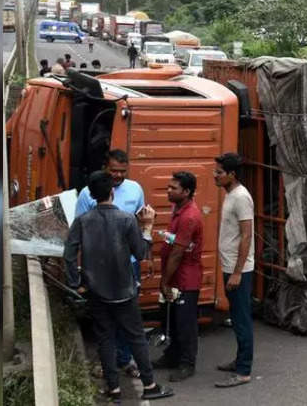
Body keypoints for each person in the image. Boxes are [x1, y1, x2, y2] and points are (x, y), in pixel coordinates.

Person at [63, 171, 174, 402]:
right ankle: (150, 385)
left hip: (96, 292)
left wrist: (76, 283)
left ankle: (113, 389)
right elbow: (141, 253)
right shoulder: (125, 219)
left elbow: (69, 255)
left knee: (105, 339)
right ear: (112, 192)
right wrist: (147, 227)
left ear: (91, 195)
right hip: (124, 291)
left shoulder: (83, 221)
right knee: (135, 338)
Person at [75, 149, 149, 378]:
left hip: (129, 263)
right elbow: (78, 230)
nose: (118, 175)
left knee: (128, 316)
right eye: (114, 170)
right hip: (99, 266)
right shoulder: (89, 193)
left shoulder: (135, 189)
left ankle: (125, 360)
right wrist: (81, 269)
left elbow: (141, 222)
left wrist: (146, 254)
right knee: (104, 318)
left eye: (122, 172)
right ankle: (107, 364)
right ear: (105, 168)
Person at [154, 171, 204, 382]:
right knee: (172, 319)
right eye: (168, 186)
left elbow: (177, 253)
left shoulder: (189, 217)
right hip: (175, 276)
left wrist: (164, 282)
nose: (168, 190)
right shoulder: (178, 209)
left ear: (186, 192)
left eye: (173, 188)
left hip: (185, 278)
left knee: (185, 324)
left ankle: (187, 364)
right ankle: (172, 356)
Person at [213, 153, 255, 388]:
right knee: (238, 317)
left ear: (232, 174)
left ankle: (243, 371)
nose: (215, 176)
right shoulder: (231, 194)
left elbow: (247, 235)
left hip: (239, 269)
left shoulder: (241, 197)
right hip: (231, 265)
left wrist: (238, 272)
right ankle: (240, 360)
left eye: (219, 173)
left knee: (241, 319)